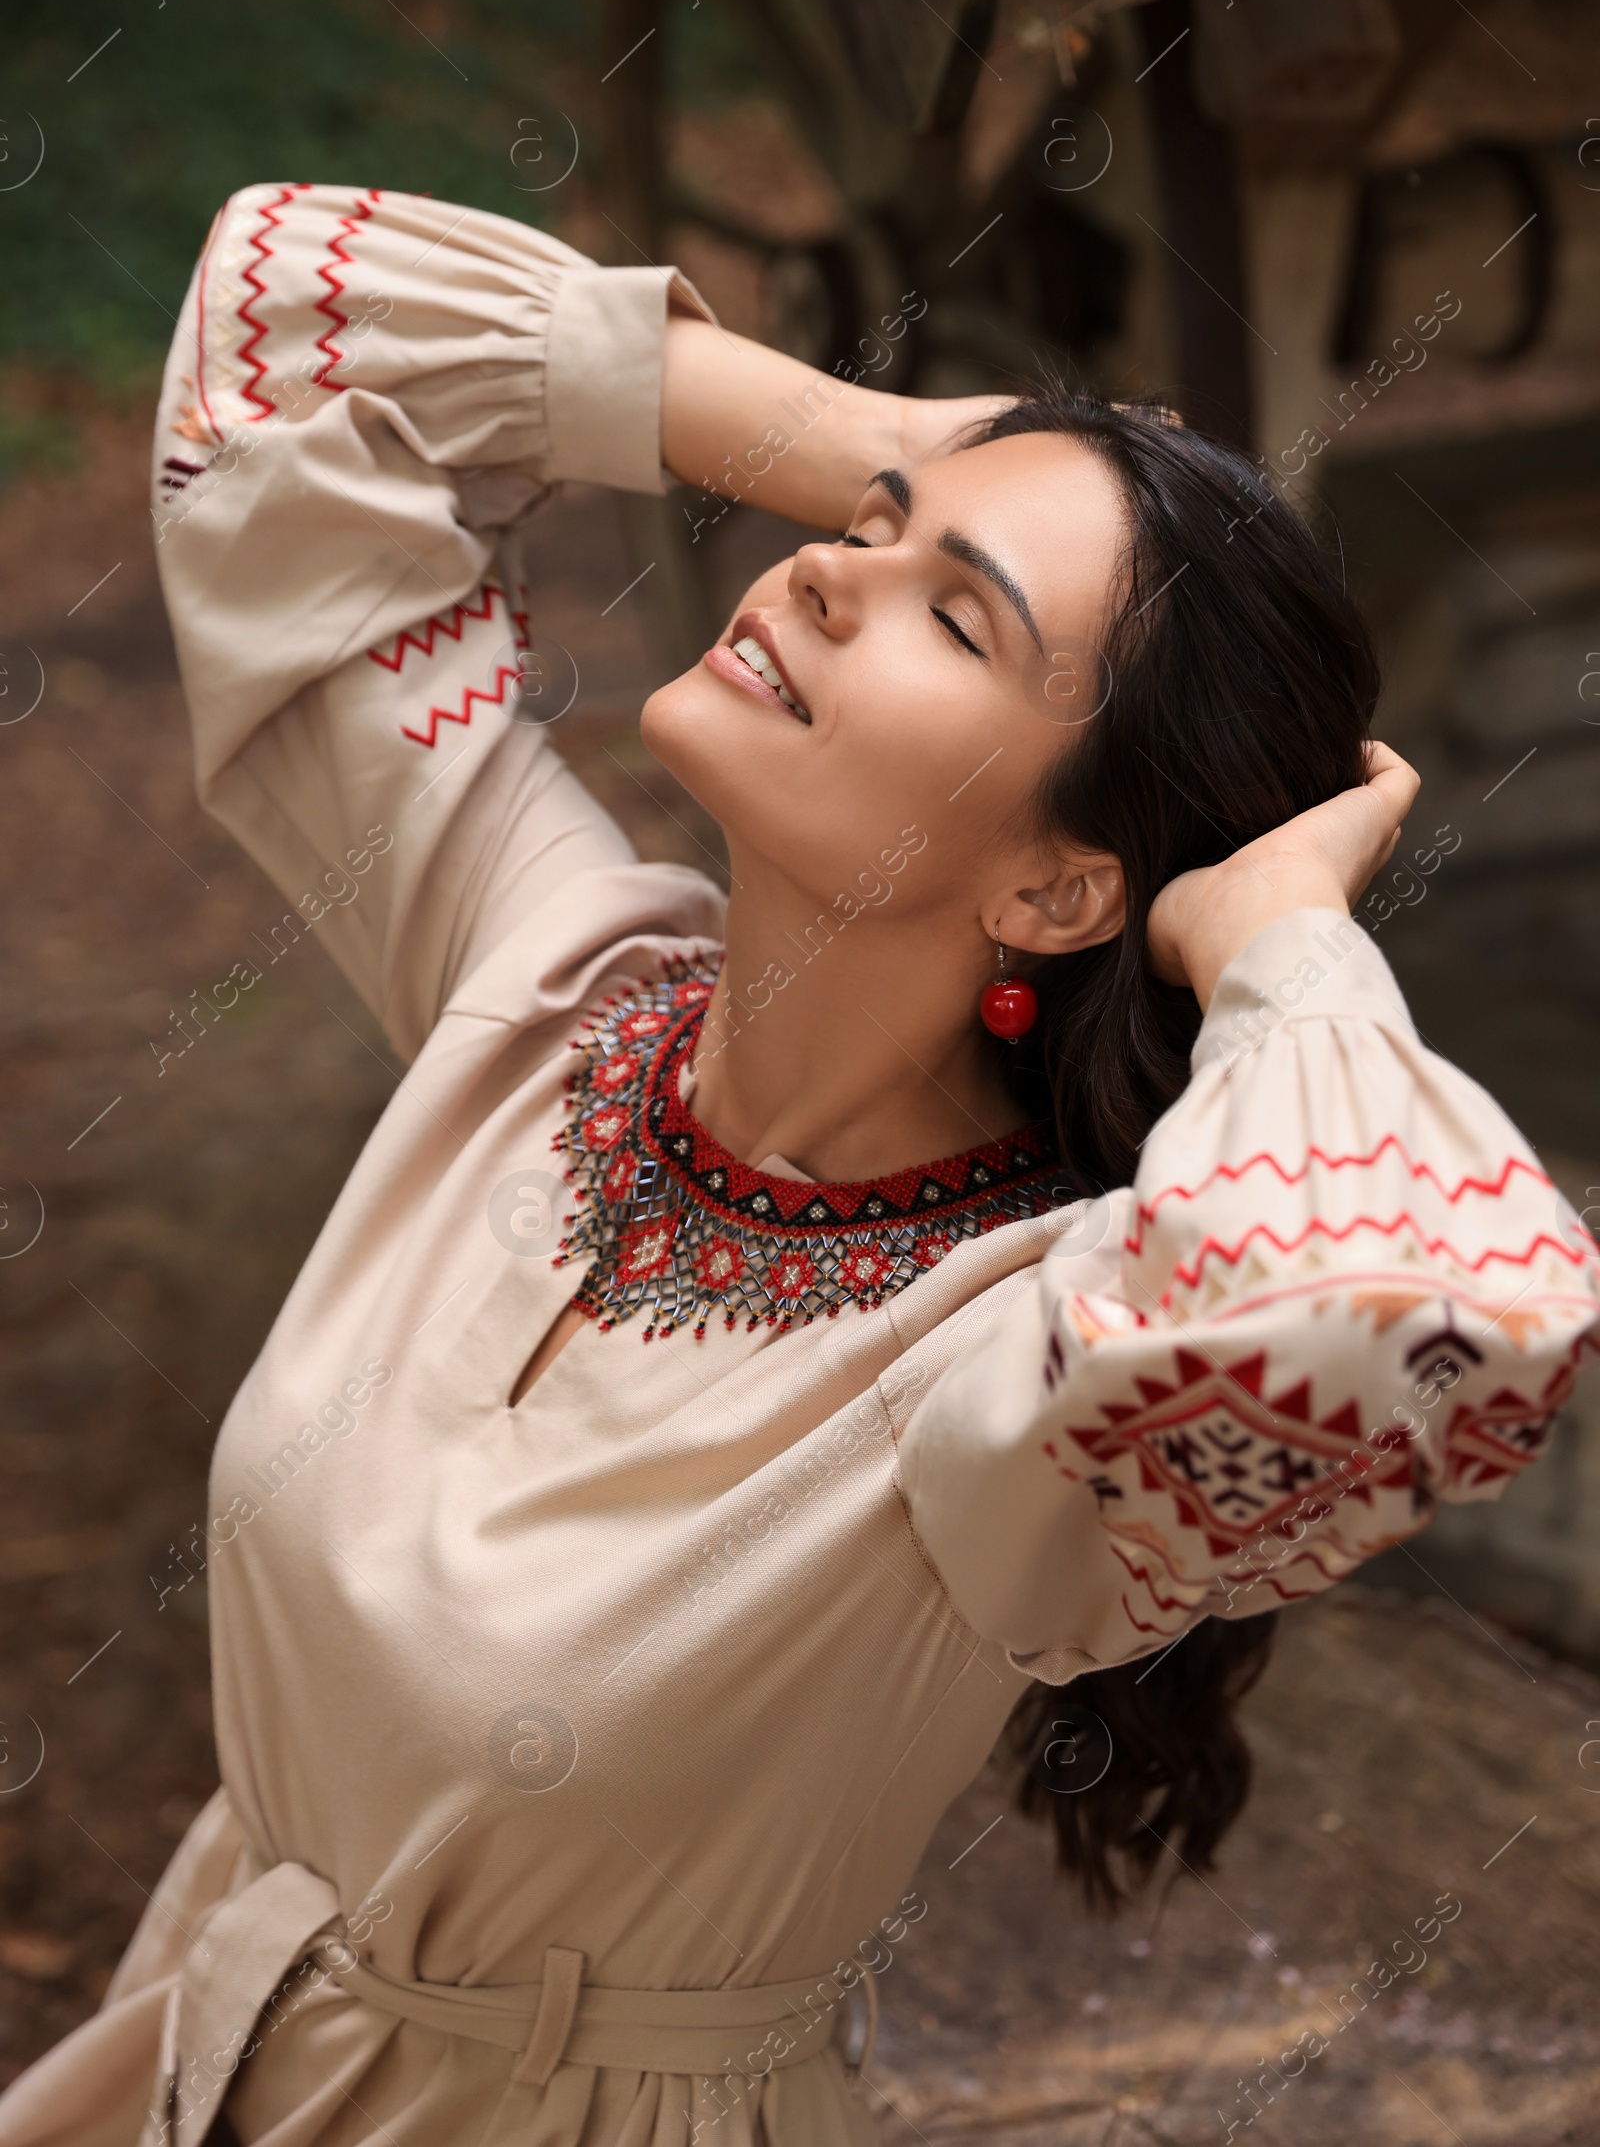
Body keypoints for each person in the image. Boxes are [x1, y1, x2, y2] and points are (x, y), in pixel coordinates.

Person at [4, 182, 1593, 2147]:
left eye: (955, 612)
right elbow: (278, 362)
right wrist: (888, 439)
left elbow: (1449, 1315)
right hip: (199, 2069)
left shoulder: (1014, 1368)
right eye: (857, 538)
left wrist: (1270, 944)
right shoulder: (557, 985)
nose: (829, 573)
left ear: (1058, 880)